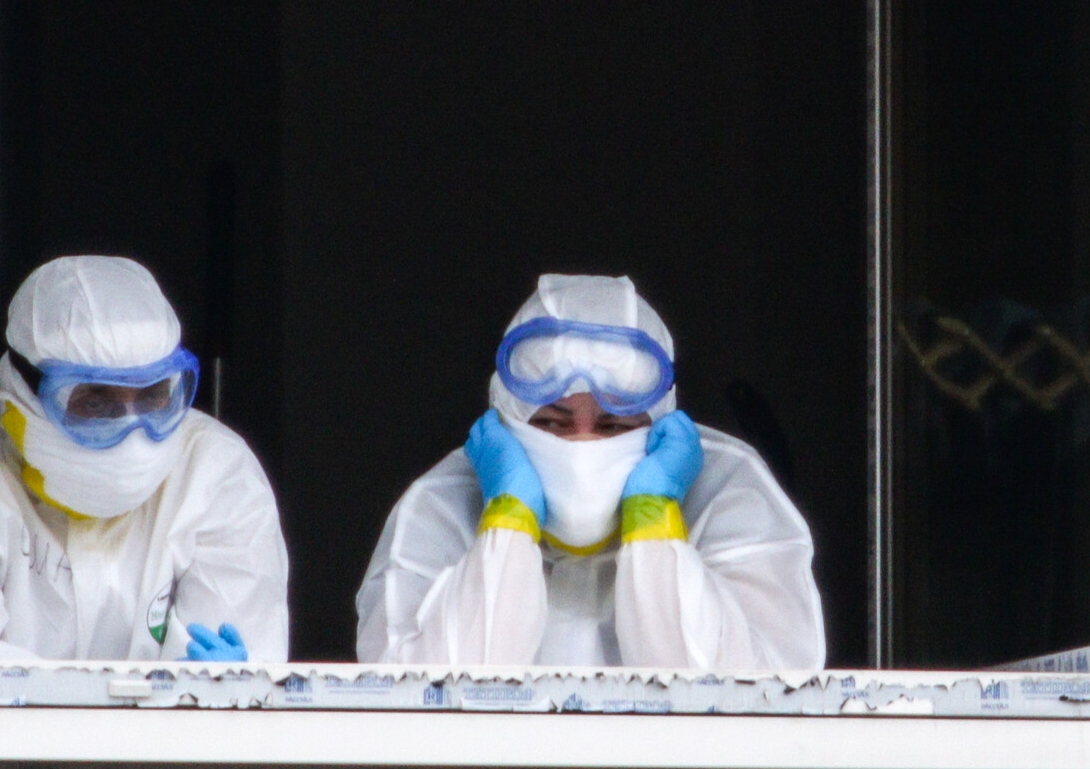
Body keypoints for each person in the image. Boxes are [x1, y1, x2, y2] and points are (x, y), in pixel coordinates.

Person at [356, 274, 825, 668]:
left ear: (660, 426)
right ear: (508, 423)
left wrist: (654, 519)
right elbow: (422, 705)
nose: (582, 448)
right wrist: (508, 521)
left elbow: (744, 705)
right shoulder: (442, 507)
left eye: (614, 425)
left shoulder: (727, 493)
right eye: (552, 423)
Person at [0, 255, 289, 661]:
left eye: (154, 396)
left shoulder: (217, 474)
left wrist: (228, 689)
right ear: (22, 393)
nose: (133, 435)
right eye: (95, 403)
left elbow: (239, 659)